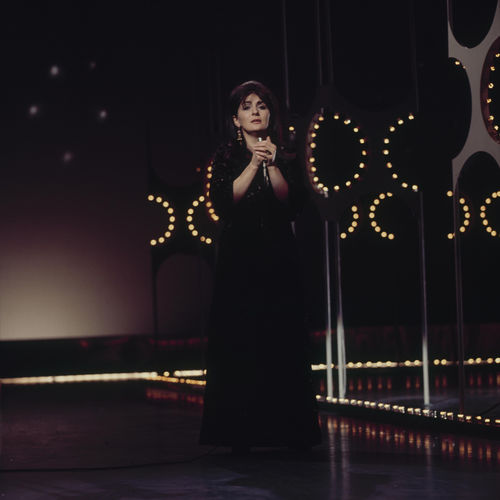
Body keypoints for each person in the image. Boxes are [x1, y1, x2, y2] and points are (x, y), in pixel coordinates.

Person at [199, 80, 321, 453]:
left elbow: (291, 203)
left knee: (282, 338)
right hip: (240, 258)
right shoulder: (226, 156)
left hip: (278, 256)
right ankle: (239, 433)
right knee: (241, 339)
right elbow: (224, 202)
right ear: (236, 119)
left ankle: (287, 431)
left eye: (262, 106)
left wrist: (272, 164)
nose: (255, 111)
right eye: (247, 106)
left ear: (270, 114)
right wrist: (253, 163)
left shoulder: (286, 155)